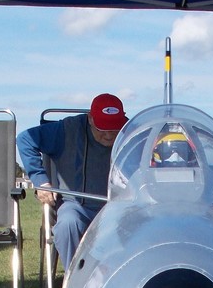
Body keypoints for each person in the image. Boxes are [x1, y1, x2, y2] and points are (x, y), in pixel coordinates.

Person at [17, 93, 129, 265]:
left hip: (116, 207)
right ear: (90, 119)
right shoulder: (67, 129)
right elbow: (25, 140)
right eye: (102, 129)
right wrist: (40, 180)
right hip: (76, 206)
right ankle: (74, 277)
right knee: (68, 223)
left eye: (114, 129)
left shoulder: (131, 131)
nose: (108, 135)